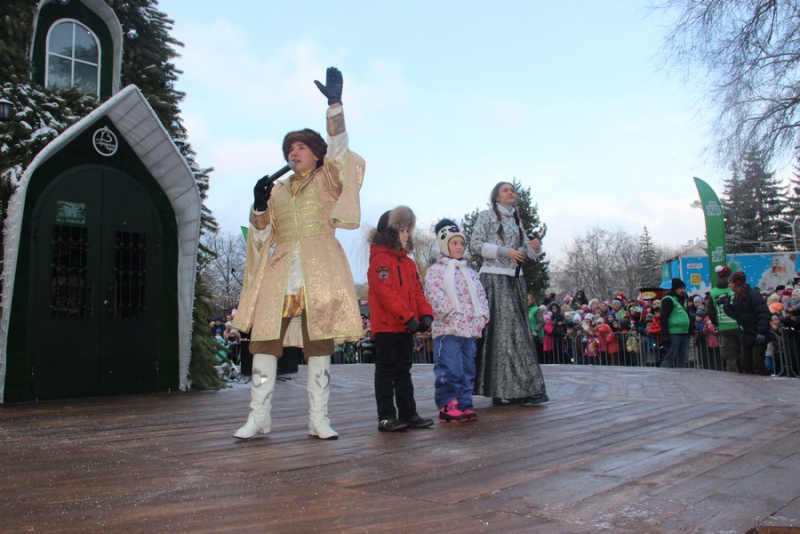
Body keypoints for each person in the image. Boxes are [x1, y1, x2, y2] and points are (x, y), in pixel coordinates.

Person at [232, 66, 365, 440]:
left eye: (300, 147)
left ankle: (318, 419)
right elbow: (262, 235)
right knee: (263, 344)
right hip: (281, 272)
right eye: (289, 149)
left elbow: (341, 154)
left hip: (320, 268)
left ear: (315, 153)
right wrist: (259, 206)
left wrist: (335, 107)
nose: (293, 152)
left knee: (318, 345)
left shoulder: (328, 178)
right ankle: (259, 417)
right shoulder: (276, 190)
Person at [470, 181, 548, 405]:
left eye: (512, 190)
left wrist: (534, 248)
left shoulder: (516, 219)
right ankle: (508, 387)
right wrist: (505, 251)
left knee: (516, 333)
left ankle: (512, 387)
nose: (511, 192)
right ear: (496, 196)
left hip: (514, 279)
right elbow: (475, 243)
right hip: (494, 278)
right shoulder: (486, 215)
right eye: (506, 190)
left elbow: (524, 253)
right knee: (502, 333)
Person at [367, 206, 435, 432]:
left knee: (403, 370)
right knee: (386, 370)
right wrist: (408, 317)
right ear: (391, 233)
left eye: (408, 230)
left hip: (405, 327)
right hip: (387, 327)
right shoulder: (380, 261)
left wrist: (425, 314)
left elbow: (417, 291)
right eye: (403, 230)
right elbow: (386, 294)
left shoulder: (408, 263)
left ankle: (408, 412)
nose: (408, 235)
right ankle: (386, 416)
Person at [423, 219, 490, 423]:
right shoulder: (437, 271)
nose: (459, 247)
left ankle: (464, 402)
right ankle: (447, 404)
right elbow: (434, 295)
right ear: (445, 245)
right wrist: (451, 315)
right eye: (454, 243)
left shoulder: (470, 273)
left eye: (461, 243)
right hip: (448, 331)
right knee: (450, 368)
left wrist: (482, 317)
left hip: (469, 331)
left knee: (467, 369)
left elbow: (480, 296)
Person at [720, 270, 771, 375]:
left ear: (737, 283)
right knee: (745, 363)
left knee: (758, 363)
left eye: (730, 282)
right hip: (745, 334)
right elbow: (737, 315)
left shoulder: (753, 295)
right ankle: (751, 386)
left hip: (757, 333)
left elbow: (764, 314)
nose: (729, 284)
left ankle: (765, 382)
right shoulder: (737, 297)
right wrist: (726, 305)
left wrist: (762, 332)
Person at [706, 265, 740, 373]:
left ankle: (734, 375)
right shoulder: (736, 289)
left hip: (724, 326)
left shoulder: (713, 292)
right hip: (740, 324)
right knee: (743, 351)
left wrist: (717, 323)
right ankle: (747, 374)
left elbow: (710, 311)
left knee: (730, 355)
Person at [660, 278, 692, 368]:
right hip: (673, 333)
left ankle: (682, 378)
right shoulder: (668, 299)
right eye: (680, 288)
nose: (682, 290)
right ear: (675, 288)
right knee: (669, 358)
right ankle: (662, 374)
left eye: (683, 288)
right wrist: (665, 334)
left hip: (684, 332)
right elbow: (663, 317)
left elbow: (687, 315)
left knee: (683, 359)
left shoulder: (683, 300)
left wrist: (691, 329)